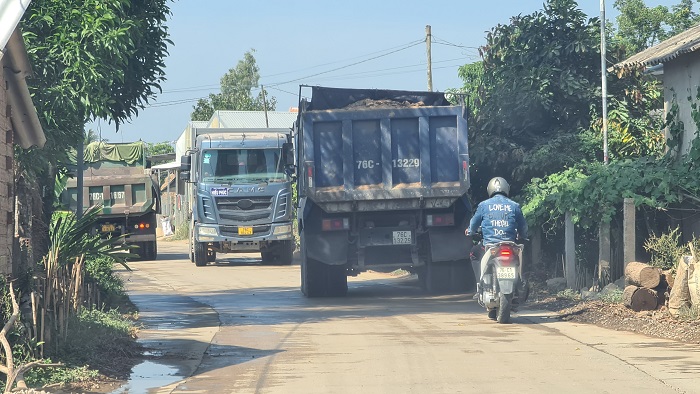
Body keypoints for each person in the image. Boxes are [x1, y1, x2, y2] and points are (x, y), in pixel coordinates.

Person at [465, 177, 528, 291]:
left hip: (490, 245)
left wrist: (470, 231)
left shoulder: (483, 205)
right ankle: (519, 282)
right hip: (510, 244)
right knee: (519, 258)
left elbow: (474, 223)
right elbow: (523, 226)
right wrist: (523, 235)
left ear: (490, 189)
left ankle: (480, 284)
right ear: (506, 189)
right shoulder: (514, 206)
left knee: (474, 254)